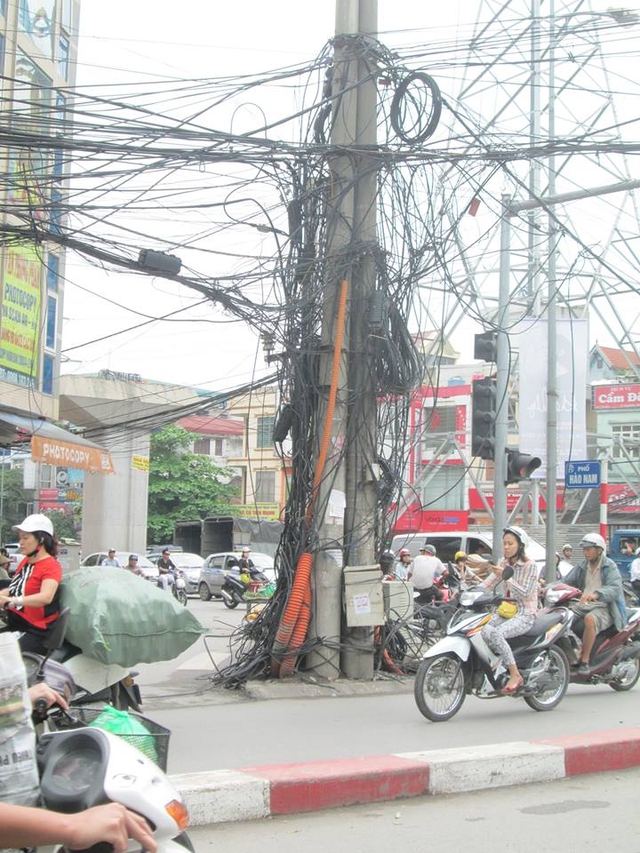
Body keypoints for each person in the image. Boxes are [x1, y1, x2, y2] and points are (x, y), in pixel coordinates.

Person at [480, 526, 540, 694]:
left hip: (525, 614)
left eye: (510, 544)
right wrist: (469, 592)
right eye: (504, 543)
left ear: (520, 546)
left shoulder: (531, 565)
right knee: (481, 628)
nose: (506, 547)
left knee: (496, 633)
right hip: (507, 611)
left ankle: (515, 674)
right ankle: (496, 667)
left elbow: (526, 593)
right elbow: (489, 583)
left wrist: (508, 578)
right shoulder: (504, 562)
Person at [0, 514, 62, 655]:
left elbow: (46, 597)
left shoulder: (51, 566)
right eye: (20, 537)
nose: (21, 542)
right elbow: (14, 589)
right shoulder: (26, 562)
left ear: (41, 539)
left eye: (25, 538)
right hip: (18, 624)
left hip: (38, 632)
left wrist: (14, 601)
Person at [564, 533, 625, 674]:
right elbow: (566, 581)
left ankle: (585, 661)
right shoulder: (582, 566)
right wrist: (547, 587)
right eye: (584, 549)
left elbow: (615, 588)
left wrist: (597, 594)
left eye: (589, 549)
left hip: (605, 606)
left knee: (590, 619)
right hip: (583, 604)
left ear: (599, 550)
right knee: (561, 616)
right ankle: (571, 653)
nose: (585, 552)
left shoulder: (609, 566)